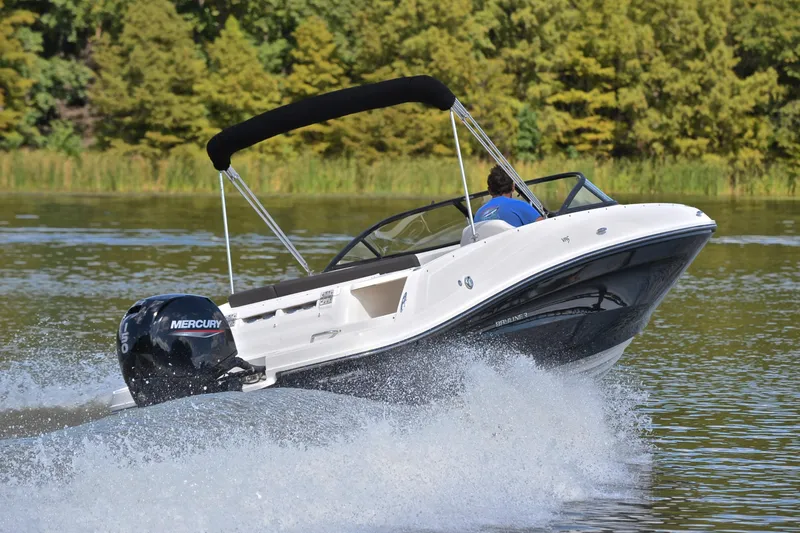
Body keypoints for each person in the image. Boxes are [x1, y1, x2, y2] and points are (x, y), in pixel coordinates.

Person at [474, 165, 542, 227]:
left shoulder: (478, 214)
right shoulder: (520, 206)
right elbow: (544, 228)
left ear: (489, 190)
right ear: (513, 187)